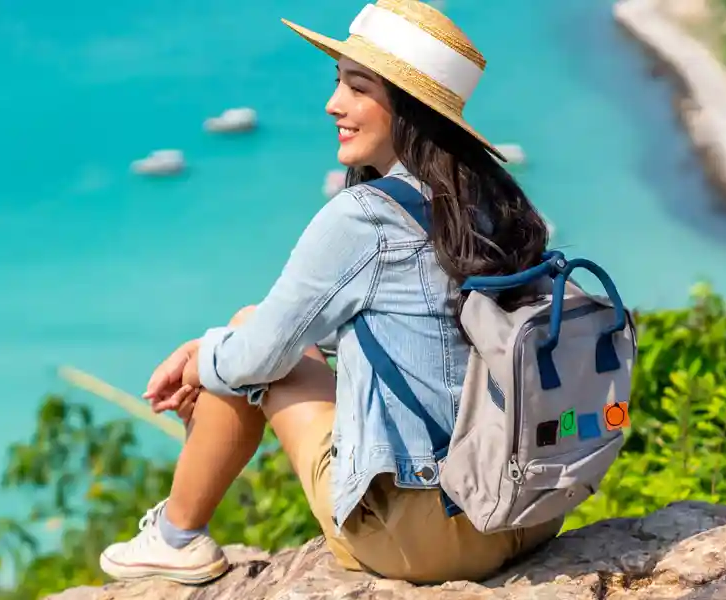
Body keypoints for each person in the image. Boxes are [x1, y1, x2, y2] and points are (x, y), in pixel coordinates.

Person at [98, 0, 563, 585]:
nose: (333, 104)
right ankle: (176, 531)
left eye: (357, 87)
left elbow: (258, 358)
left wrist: (201, 358)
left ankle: (177, 537)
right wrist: (216, 352)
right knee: (247, 337)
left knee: (244, 337)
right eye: (338, 81)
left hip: (428, 537)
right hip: (532, 511)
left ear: (409, 107)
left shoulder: (365, 217)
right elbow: (431, 338)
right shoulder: (492, 200)